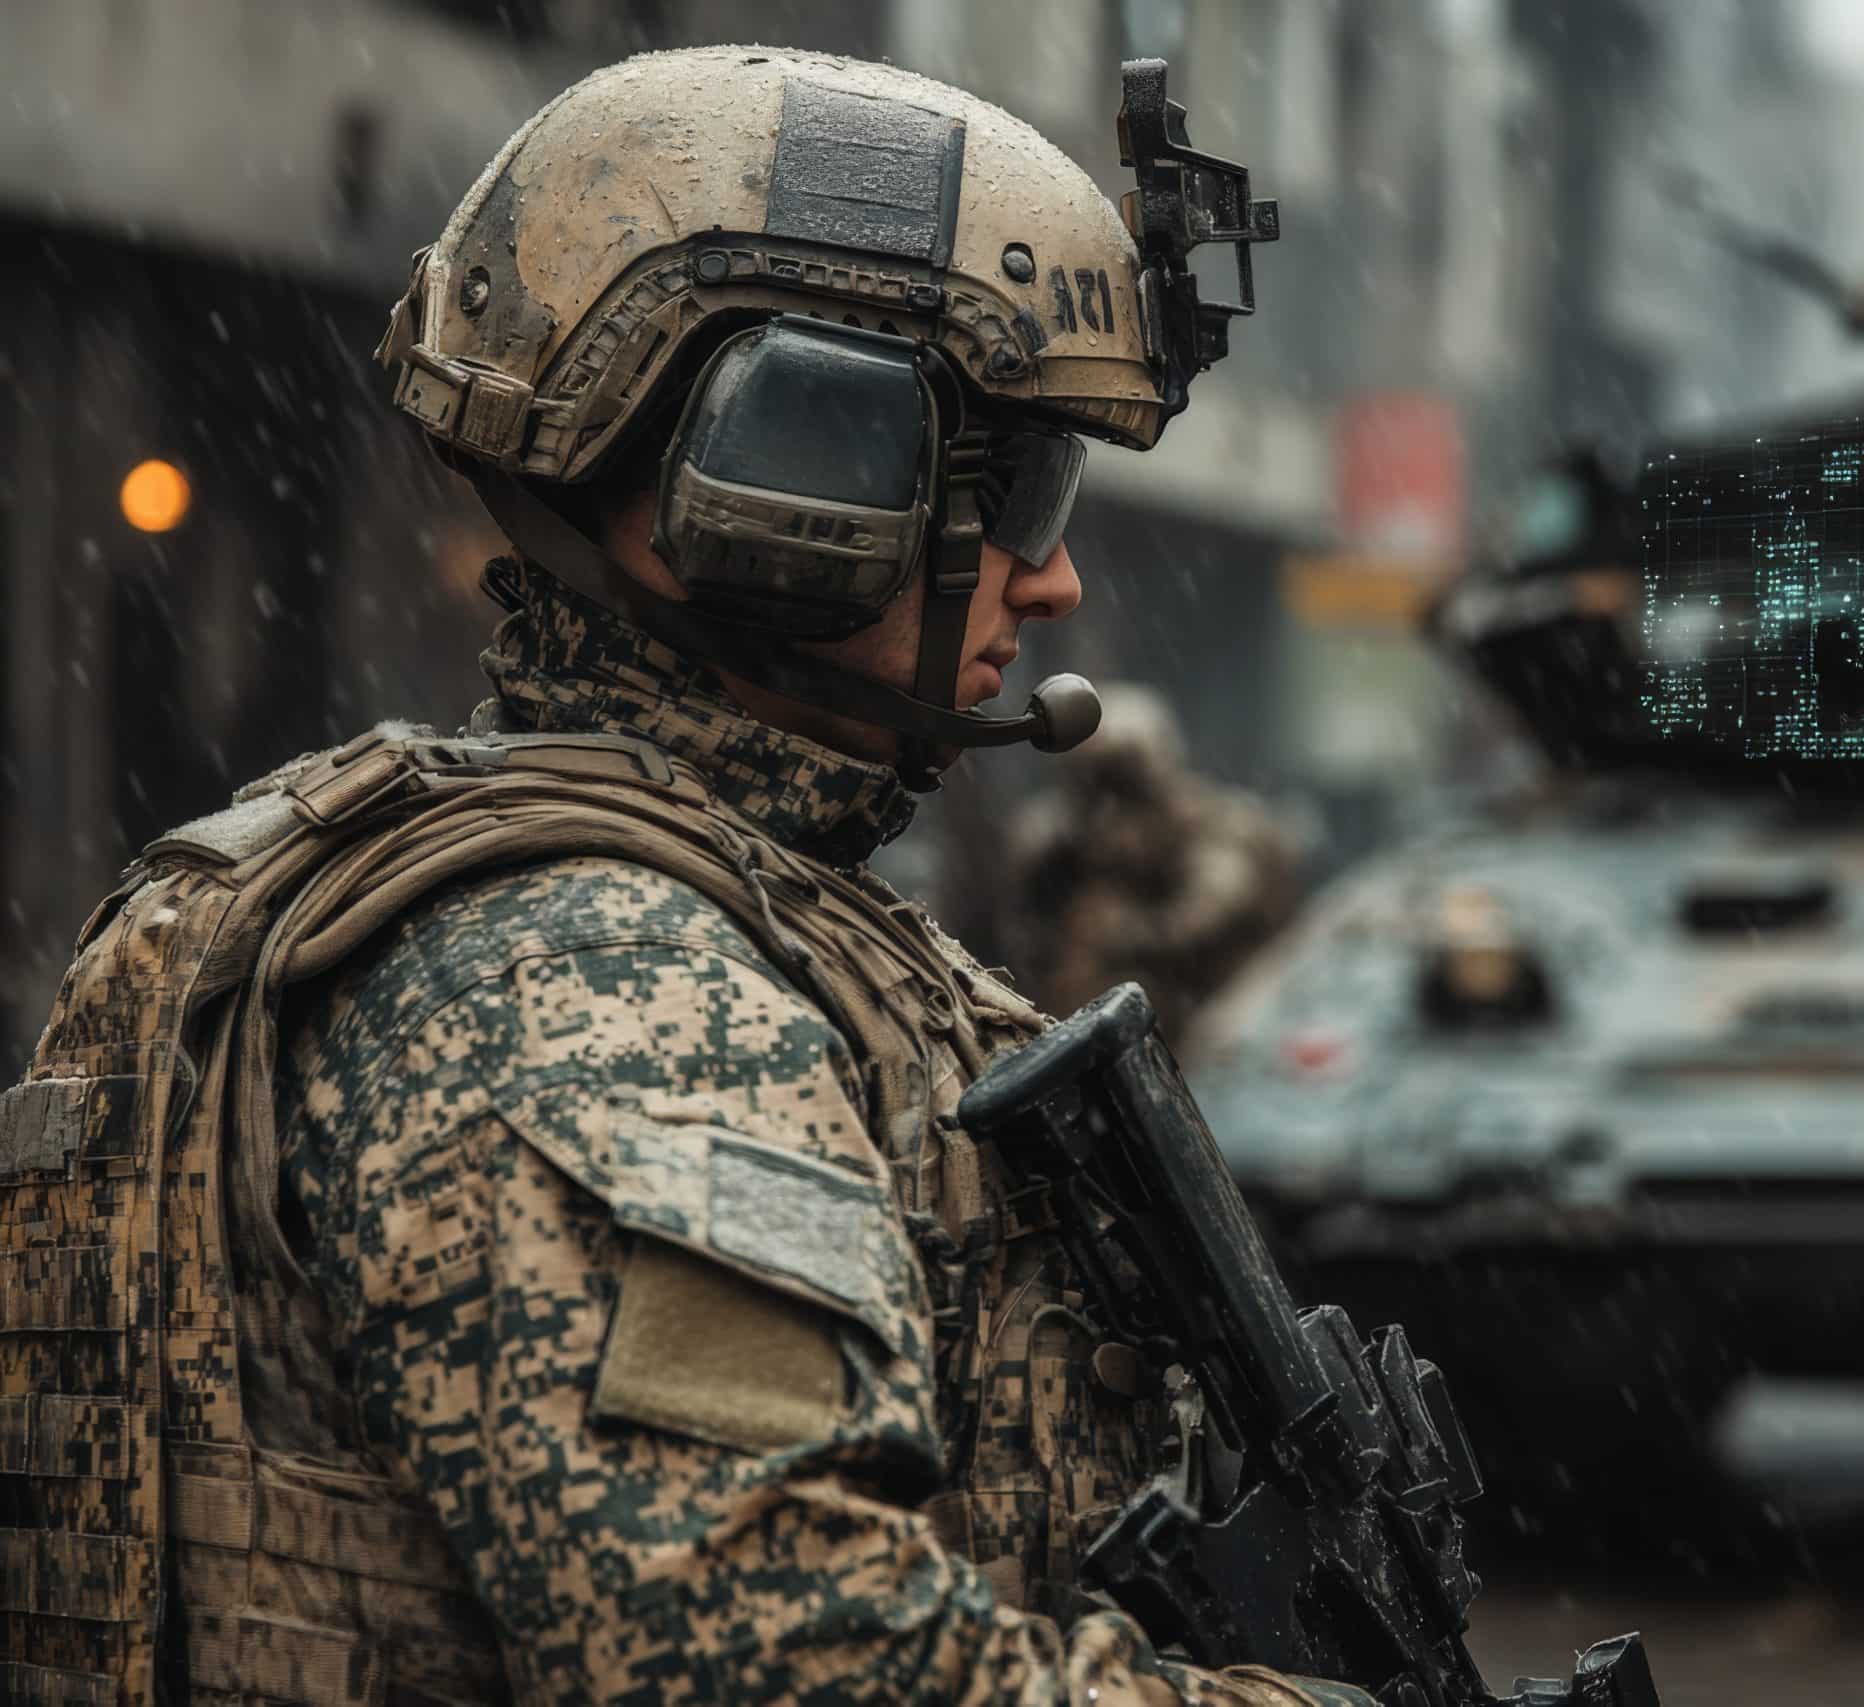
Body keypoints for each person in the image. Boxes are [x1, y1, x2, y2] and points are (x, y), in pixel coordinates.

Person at [0, 46, 1363, 1706]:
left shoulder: (669, 900)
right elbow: (783, 1663)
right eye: (1017, 488)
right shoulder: (588, 979)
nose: (1060, 577)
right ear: (792, 477)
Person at [1000, 684, 1305, 1047]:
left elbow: (1208, 913)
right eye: (1094, 791)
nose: (1110, 815)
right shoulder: (1061, 836)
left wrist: (1126, 931)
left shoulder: (1215, 827)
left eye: (1125, 787)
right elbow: (1026, 929)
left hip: (1217, 1033)